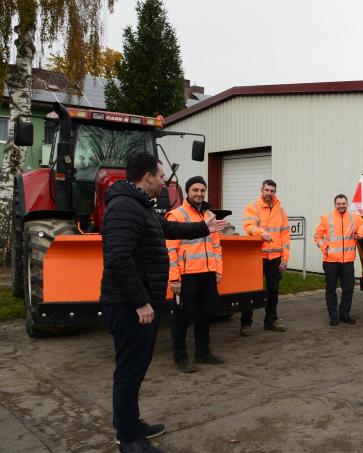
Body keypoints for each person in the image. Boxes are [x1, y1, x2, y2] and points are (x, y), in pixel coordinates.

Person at [100, 153, 228, 453]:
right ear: (147, 177)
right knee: (129, 370)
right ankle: (128, 438)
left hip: (139, 302)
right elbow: (119, 258)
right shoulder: (124, 207)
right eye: (160, 176)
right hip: (129, 304)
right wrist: (142, 302)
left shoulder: (141, 206)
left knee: (136, 367)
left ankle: (131, 422)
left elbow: (169, 229)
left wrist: (205, 228)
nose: (163, 182)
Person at [166, 176, 225, 373]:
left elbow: (216, 246)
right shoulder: (176, 215)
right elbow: (170, 250)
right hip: (186, 275)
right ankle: (180, 357)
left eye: (202, 190)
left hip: (207, 274)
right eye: (195, 190)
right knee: (182, 317)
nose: (199, 194)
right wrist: (174, 277)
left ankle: (203, 352)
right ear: (188, 192)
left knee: (205, 314)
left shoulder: (209, 215)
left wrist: (218, 270)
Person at [239, 179, 290, 336]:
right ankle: (246, 324)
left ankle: (271, 321)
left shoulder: (281, 211)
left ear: (275, 192)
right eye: (266, 190)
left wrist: (285, 257)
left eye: (272, 191)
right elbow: (249, 227)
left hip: (275, 257)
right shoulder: (252, 207)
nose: (269, 193)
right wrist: (262, 233)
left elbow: (285, 236)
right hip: (257, 256)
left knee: (273, 290)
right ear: (261, 190)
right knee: (251, 290)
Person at [314, 194, 363, 326]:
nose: (341, 206)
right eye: (339, 204)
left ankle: (344, 314)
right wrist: (325, 248)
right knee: (331, 290)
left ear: (347, 203)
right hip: (330, 261)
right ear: (335, 205)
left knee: (348, 289)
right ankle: (333, 316)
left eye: (343, 203)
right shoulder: (326, 218)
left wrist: (360, 232)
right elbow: (317, 235)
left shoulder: (354, 217)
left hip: (347, 261)